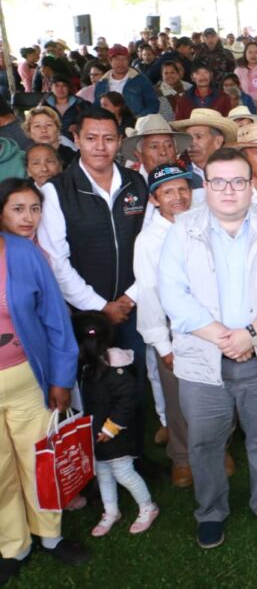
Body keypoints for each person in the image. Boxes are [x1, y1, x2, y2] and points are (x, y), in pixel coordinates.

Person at [158, 147, 257, 549]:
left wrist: (250, 335)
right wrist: (225, 337)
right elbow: (173, 294)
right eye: (218, 181)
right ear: (205, 186)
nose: (228, 189)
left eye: (238, 181)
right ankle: (211, 511)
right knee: (205, 444)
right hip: (204, 362)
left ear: (249, 183)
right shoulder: (182, 229)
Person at [38, 107, 150, 452]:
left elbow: (150, 247)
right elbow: (57, 261)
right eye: (91, 139)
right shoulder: (58, 190)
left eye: (108, 138)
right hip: (84, 313)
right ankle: (94, 464)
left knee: (133, 382)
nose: (100, 147)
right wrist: (100, 306)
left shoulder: (135, 183)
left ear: (119, 141)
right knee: (92, 389)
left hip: (133, 306)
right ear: (76, 140)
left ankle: (135, 456)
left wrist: (128, 299)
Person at [0, 216, 87, 580]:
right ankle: (12, 546)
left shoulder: (23, 252)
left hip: (28, 381)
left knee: (40, 462)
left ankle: (50, 536)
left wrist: (62, 377)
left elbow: (55, 316)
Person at [133, 164, 196, 488]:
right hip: (174, 328)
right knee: (177, 397)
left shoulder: (204, 223)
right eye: (168, 191)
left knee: (217, 392)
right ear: (155, 199)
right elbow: (148, 292)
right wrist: (163, 344)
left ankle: (219, 449)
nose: (178, 197)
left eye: (183, 189)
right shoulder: (148, 241)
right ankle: (182, 458)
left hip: (210, 324)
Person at [71, 311, 159, 537]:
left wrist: (110, 429)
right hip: (97, 435)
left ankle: (148, 507)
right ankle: (111, 511)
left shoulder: (115, 370)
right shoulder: (89, 368)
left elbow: (126, 402)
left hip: (116, 435)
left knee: (123, 473)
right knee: (103, 473)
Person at [170, 108, 238, 182]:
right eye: (189, 138)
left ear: (218, 141)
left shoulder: (235, 173)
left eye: (198, 137)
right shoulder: (181, 178)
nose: (191, 143)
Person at [93, 44, 160, 118]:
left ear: (129, 60)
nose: (121, 63)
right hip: (108, 124)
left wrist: (139, 118)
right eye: (116, 59)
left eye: (124, 59)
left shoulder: (141, 80)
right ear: (110, 61)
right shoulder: (101, 83)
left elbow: (153, 104)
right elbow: (97, 107)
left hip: (135, 125)